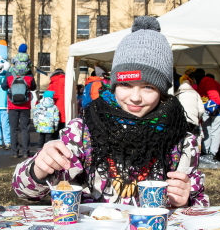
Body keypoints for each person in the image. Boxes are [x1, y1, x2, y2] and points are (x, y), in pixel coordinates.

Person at [12, 16, 208, 207]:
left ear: (162, 91)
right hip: (92, 228)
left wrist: (187, 200)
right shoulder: (83, 132)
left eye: (148, 87)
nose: (135, 97)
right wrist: (39, 169)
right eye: (126, 85)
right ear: (114, 85)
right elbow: (24, 191)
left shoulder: (180, 141)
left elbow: (202, 204)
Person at [2, 44, 37, 158]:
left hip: (12, 105)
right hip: (25, 105)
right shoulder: (29, 73)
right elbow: (33, 87)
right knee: (25, 129)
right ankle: (26, 152)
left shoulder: (10, 72)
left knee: (13, 129)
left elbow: (4, 86)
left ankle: (14, 152)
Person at [194, 68, 220, 166]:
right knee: (206, 130)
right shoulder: (202, 83)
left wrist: (203, 109)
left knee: (215, 131)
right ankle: (205, 152)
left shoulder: (207, 82)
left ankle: (212, 153)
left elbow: (215, 99)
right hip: (210, 108)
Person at [175, 73, 205, 144]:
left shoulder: (176, 94)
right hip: (192, 122)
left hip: (180, 121)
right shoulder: (196, 94)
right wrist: (197, 118)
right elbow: (201, 110)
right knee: (192, 140)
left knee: (181, 141)